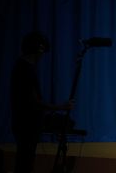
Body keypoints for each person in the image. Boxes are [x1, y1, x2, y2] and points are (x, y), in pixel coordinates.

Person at [10, 31, 73, 173]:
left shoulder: (22, 66)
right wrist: (61, 107)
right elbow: (34, 102)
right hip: (26, 124)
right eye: (42, 51)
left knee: (25, 159)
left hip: (24, 123)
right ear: (39, 49)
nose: (42, 55)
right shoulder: (24, 69)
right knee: (25, 161)